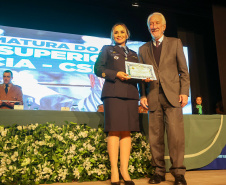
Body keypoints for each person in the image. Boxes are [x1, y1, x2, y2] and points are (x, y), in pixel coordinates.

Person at [139, 12, 190, 185]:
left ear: (164, 26)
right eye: (151, 23)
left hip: (173, 96)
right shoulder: (143, 49)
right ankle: (159, 172)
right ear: (148, 27)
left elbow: (184, 71)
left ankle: (178, 173)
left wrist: (184, 92)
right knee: (155, 137)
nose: (154, 26)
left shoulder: (175, 43)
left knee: (176, 137)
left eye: (157, 23)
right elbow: (141, 77)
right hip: (153, 96)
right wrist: (143, 95)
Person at [94, 23, 140, 185]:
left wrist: (144, 78)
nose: (118, 34)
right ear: (112, 35)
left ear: (127, 34)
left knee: (127, 132)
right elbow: (98, 69)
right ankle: (114, 170)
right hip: (113, 93)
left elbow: (137, 73)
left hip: (131, 94)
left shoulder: (134, 54)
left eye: (122, 32)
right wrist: (116, 74)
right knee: (114, 131)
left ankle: (124, 170)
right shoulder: (107, 49)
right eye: (115, 32)